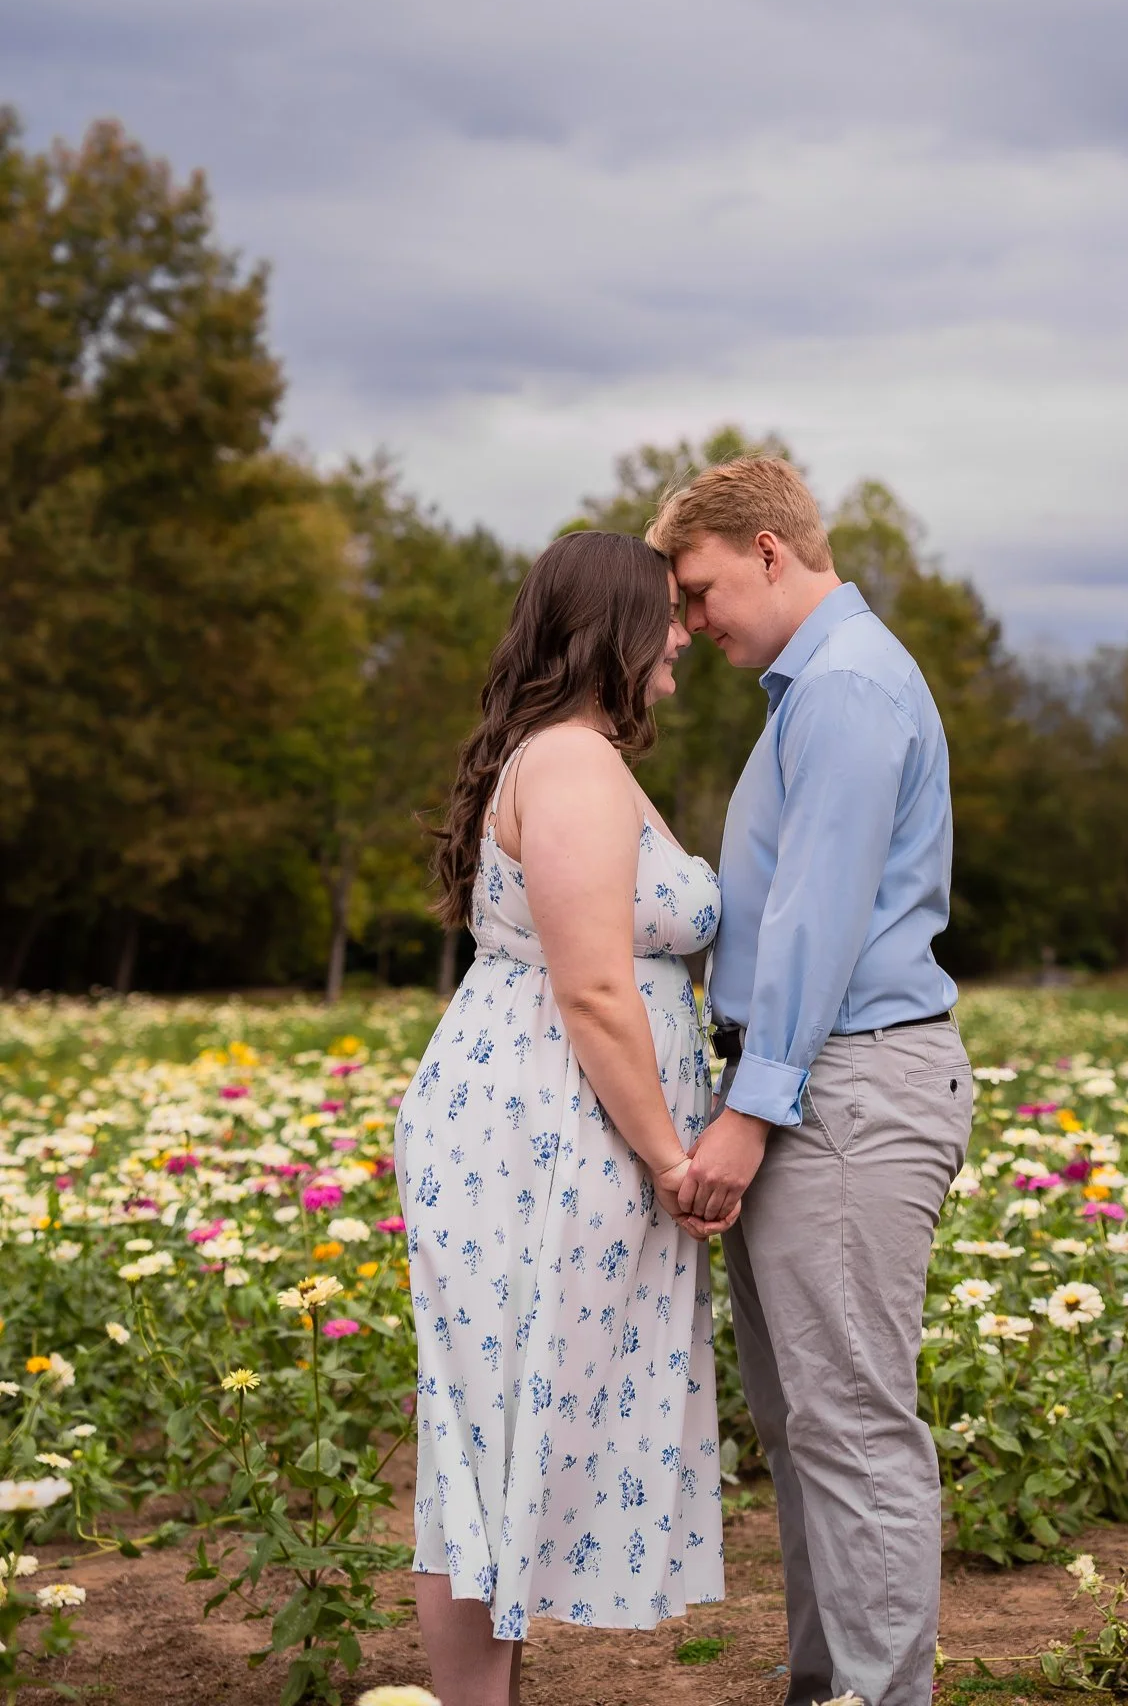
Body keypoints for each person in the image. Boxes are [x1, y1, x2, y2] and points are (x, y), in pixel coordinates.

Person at [649, 457, 973, 1706]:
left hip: (842, 1089)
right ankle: (826, 1684)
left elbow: (816, 923)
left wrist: (747, 1110)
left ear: (769, 551)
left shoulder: (843, 689)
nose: (690, 621)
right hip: (823, 1087)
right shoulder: (821, 688)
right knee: (811, 1428)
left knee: (852, 1427)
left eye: (699, 588)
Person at [394, 530, 731, 1706]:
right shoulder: (575, 766)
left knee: (512, 1422)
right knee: (489, 1428)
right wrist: (674, 1159)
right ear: (614, 630)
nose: (684, 628)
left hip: (546, 1119)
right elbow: (591, 985)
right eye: (666, 612)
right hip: (540, 1127)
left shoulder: (573, 752)